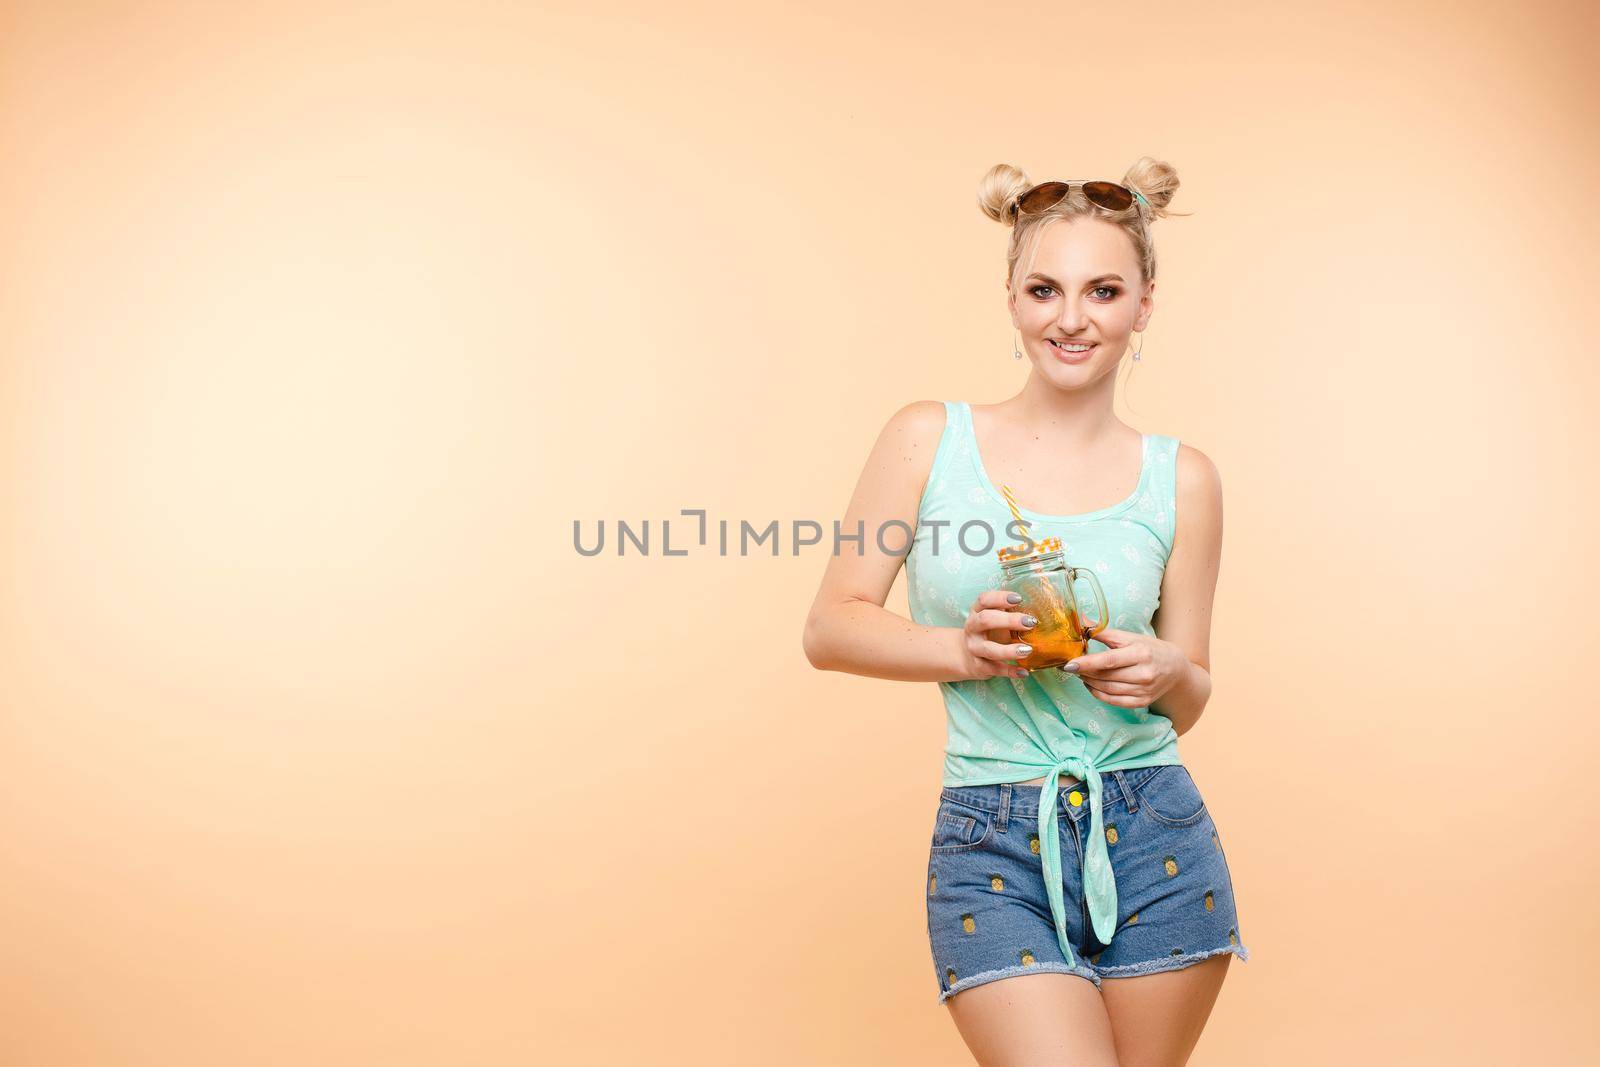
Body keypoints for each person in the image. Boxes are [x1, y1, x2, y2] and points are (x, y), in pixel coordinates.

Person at [801, 159, 1250, 1065]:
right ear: (1011, 299)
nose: (1071, 317)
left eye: (1104, 290)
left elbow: (1191, 696)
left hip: (1155, 825)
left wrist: (1168, 672)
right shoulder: (929, 438)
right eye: (1044, 288)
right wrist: (962, 649)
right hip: (992, 828)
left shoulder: (1184, 479)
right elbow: (832, 624)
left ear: (1144, 305)